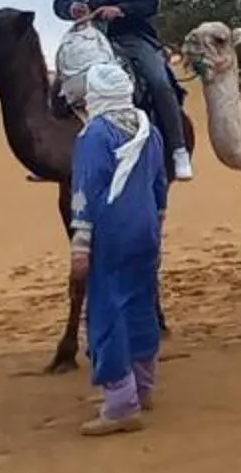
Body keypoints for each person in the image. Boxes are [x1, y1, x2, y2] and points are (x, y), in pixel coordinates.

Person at [61, 43, 167, 434]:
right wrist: (157, 226)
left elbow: (85, 192)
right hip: (146, 232)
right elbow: (159, 188)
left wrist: (80, 246)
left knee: (108, 310)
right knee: (141, 303)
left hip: (112, 234)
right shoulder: (148, 130)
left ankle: (121, 404)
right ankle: (142, 387)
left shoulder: (95, 136)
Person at [53, 0, 195, 183]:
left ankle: (178, 150)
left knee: (159, 81)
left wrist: (121, 10)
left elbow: (150, 2)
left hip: (133, 37)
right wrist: (72, 9)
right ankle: (53, 157)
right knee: (60, 87)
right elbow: (59, 3)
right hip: (89, 39)